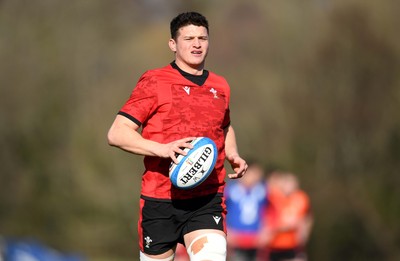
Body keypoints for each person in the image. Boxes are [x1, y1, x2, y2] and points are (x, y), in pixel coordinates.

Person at [107, 12, 247, 261]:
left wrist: (233, 154)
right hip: (160, 200)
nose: (196, 44)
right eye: (189, 38)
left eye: (202, 38)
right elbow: (117, 133)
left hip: (207, 198)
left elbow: (224, 127)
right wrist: (162, 149)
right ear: (173, 44)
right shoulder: (154, 81)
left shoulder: (221, 85)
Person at [260, 172, 313, 261]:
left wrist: (304, 230)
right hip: (274, 246)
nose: (290, 186)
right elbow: (270, 222)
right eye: (287, 183)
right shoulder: (273, 198)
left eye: (292, 183)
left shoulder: (301, 198)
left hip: (293, 246)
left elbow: (307, 217)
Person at [224, 160, 268, 261]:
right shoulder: (229, 190)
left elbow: (272, 211)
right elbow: (219, 211)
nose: (252, 177)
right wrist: (226, 231)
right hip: (236, 240)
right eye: (249, 173)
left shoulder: (264, 190)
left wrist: (268, 230)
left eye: (255, 173)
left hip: (258, 240)